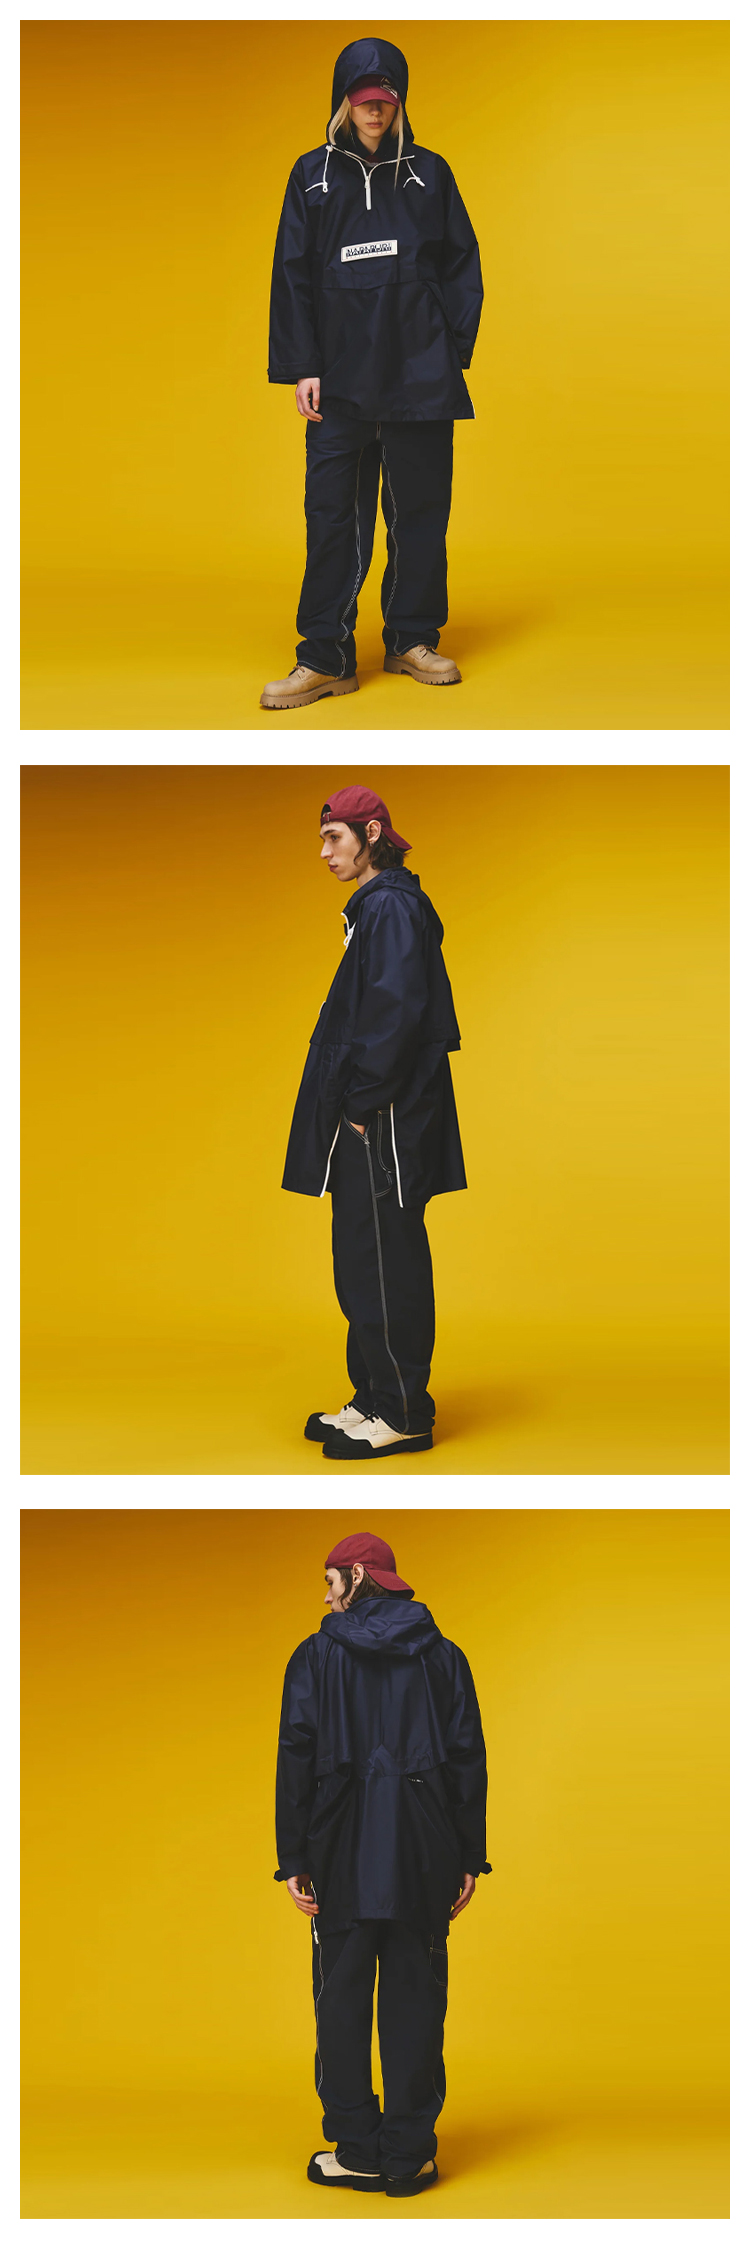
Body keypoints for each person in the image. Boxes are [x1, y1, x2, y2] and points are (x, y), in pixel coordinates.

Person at [261, 36, 483, 710]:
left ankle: (412, 639)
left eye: (385, 98)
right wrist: (303, 366)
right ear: (344, 102)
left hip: (420, 375)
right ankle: (323, 656)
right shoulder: (311, 176)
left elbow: (463, 264)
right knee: (333, 516)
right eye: (363, 98)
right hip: (341, 378)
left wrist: (449, 349)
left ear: (399, 101)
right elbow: (292, 275)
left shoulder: (430, 174)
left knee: (420, 515)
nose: (375, 109)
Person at [274, 1531, 491, 2197]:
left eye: (330, 1581)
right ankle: (407, 2156)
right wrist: (468, 1854)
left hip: (339, 1852)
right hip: (424, 1852)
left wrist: (294, 1856)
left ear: (357, 1575)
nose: (325, 1596)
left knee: (339, 2002)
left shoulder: (314, 1657)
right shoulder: (444, 1656)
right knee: (416, 2002)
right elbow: (467, 1757)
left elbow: (295, 1755)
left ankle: (358, 2150)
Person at [281, 784, 466, 1459]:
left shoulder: (391, 905)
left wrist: (361, 1108)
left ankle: (404, 1413)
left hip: (382, 1117)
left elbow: (396, 1016)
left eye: (335, 838)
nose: (325, 852)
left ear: (373, 834)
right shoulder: (377, 907)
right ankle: (373, 1396)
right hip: (370, 1114)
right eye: (322, 839)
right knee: (361, 1257)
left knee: (387, 1260)